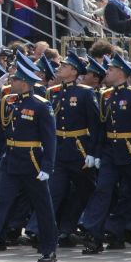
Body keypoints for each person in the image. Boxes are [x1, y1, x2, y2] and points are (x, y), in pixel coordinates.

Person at [0, 61, 58, 262]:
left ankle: (49, 248)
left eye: (14, 79)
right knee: (1, 200)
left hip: (32, 161)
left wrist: (47, 167)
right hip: (12, 159)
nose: (11, 81)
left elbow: (50, 139)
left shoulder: (40, 105)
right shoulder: (9, 101)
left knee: (42, 206)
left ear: (24, 82)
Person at [77, 53, 131, 255]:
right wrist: (96, 153)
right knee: (103, 189)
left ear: (121, 73)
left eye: (110, 69)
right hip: (111, 151)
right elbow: (102, 127)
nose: (106, 72)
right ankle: (93, 234)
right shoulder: (105, 95)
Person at [23, 51, 98, 246]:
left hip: (79, 149)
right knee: (53, 191)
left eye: (64, 66)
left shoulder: (85, 92)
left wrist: (92, 152)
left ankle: (72, 229)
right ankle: (36, 229)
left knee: (85, 190)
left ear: (74, 71)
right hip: (59, 149)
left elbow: (95, 125)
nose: (59, 68)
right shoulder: (53, 92)